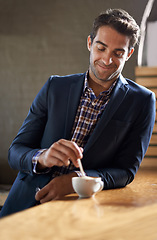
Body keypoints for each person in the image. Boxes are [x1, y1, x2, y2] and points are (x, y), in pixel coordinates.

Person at [0, 8, 155, 217]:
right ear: (90, 43)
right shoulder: (55, 87)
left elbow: (125, 172)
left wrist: (74, 182)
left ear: (128, 54)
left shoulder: (143, 101)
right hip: (24, 204)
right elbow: (15, 151)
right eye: (101, 48)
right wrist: (42, 157)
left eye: (118, 53)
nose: (107, 60)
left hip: (83, 210)